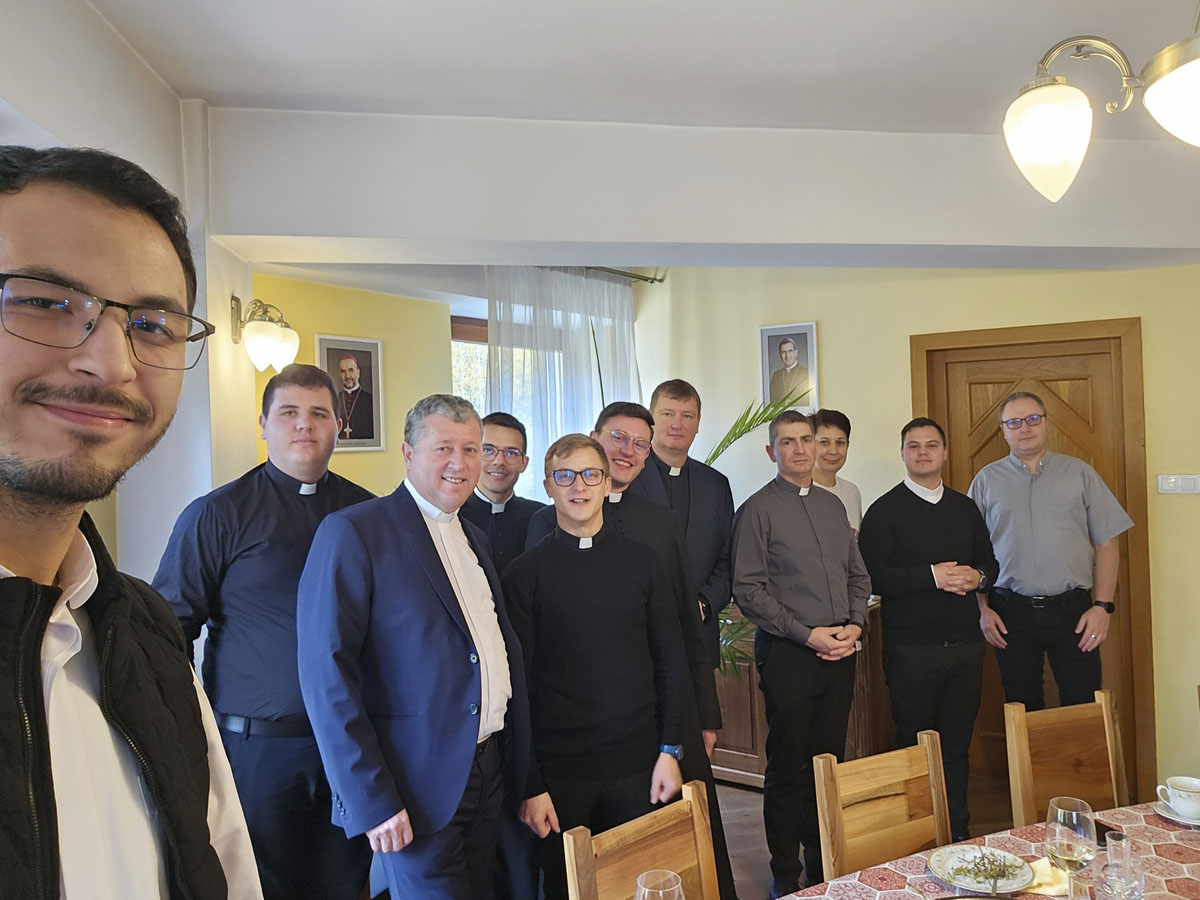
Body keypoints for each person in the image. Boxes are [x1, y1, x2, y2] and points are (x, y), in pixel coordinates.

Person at [0, 145, 261, 898]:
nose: (110, 364)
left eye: (152, 324)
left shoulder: (143, 637)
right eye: (45, 302)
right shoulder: (218, 516)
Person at [154, 363, 374, 900]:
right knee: (259, 887)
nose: (304, 425)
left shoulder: (367, 513)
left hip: (348, 746)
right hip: (255, 752)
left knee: (347, 886)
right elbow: (169, 629)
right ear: (263, 424)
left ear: (338, 426)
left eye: (319, 413)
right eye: (289, 413)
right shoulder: (217, 514)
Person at [297, 394, 530, 900]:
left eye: (471, 449)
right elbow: (326, 676)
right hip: (413, 784)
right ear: (407, 453)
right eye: (443, 448)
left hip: (487, 772)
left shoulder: (474, 537)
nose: (460, 463)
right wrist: (370, 798)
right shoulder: (355, 531)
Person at [527, 401, 739, 899]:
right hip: (575, 727)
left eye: (640, 443)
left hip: (661, 711)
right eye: (618, 438)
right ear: (596, 438)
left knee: (670, 846)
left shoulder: (659, 523)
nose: (628, 450)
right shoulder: (544, 523)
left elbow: (683, 625)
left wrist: (705, 714)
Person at [504, 434, 687, 900]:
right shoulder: (524, 575)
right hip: (560, 773)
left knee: (635, 884)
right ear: (548, 486)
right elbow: (517, 688)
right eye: (565, 475)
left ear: (607, 484)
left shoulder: (644, 563)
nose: (578, 486)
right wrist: (530, 784)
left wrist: (670, 750)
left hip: (638, 764)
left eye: (590, 474)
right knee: (566, 889)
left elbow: (671, 660)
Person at [732, 409, 870, 896]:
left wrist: (855, 625)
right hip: (790, 652)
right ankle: (785, 874)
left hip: (841, 651)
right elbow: (748, 590)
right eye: (787, 442)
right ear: (772, 451)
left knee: (826, 762)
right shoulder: (757, 510)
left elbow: (858, 576)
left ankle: (822, 864)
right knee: (788, 767)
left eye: (806, 440)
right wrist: (808, 635)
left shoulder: (834, 507)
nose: (799, 449)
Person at [858, 417, 998, 841]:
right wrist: (931, 576)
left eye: (931, 445)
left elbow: (990, 562)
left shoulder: (964, 507)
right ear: (902, 453)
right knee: (915, 748)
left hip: (966, 649)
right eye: (914, 446)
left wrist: (978, 577)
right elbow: (872, 578)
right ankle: (917, 839)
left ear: (944, 453)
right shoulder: (884, 511)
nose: (923, 452)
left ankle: (958, 834)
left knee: (956, 748)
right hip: (911, 651)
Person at [968, 391, 1133, 709]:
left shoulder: (1080, 474)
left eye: (1033, 419)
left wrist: (1102, 607)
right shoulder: (986, 480)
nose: (1024, 428)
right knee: (1021, 708)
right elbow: (972, 551)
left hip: (1074, 612)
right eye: (1014, 422)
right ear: (1003, 430)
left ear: (1046, 423)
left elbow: (1107, 543)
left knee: (1084, 705)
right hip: (1009, 613)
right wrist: (982, 610)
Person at [629, 379, 734, 668]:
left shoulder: (716, 484)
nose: (678, 424)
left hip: (698, 636)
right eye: (668, 414)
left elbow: (727, 560)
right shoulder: (626, 480)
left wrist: (704, 604)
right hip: (638, 638)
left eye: (687, 416)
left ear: (698, 423)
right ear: (651, 419)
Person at [460, 411, 547, 576]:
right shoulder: (453, 516)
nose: (499, 461)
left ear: (524, 463)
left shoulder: (542, 517)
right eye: (488, 450)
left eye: (511, 453)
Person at [810, 408, 863, 533]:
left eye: (840, 443)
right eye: (824, 442)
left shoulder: (851, 491)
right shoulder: (797, 494)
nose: (833, 451)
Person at [335, 353, 373, 440]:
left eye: (351, 370)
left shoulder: (369, 399)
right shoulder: (335, 399)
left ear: (358, 373)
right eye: (343, 371)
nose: (347, 376)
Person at [767, 336, 810, 405]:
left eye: (790, 351)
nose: (787, 356)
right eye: (783, 352)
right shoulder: (776, 375)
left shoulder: (806, 373)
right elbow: (771, 400)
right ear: (780, 355)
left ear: (796, 352)